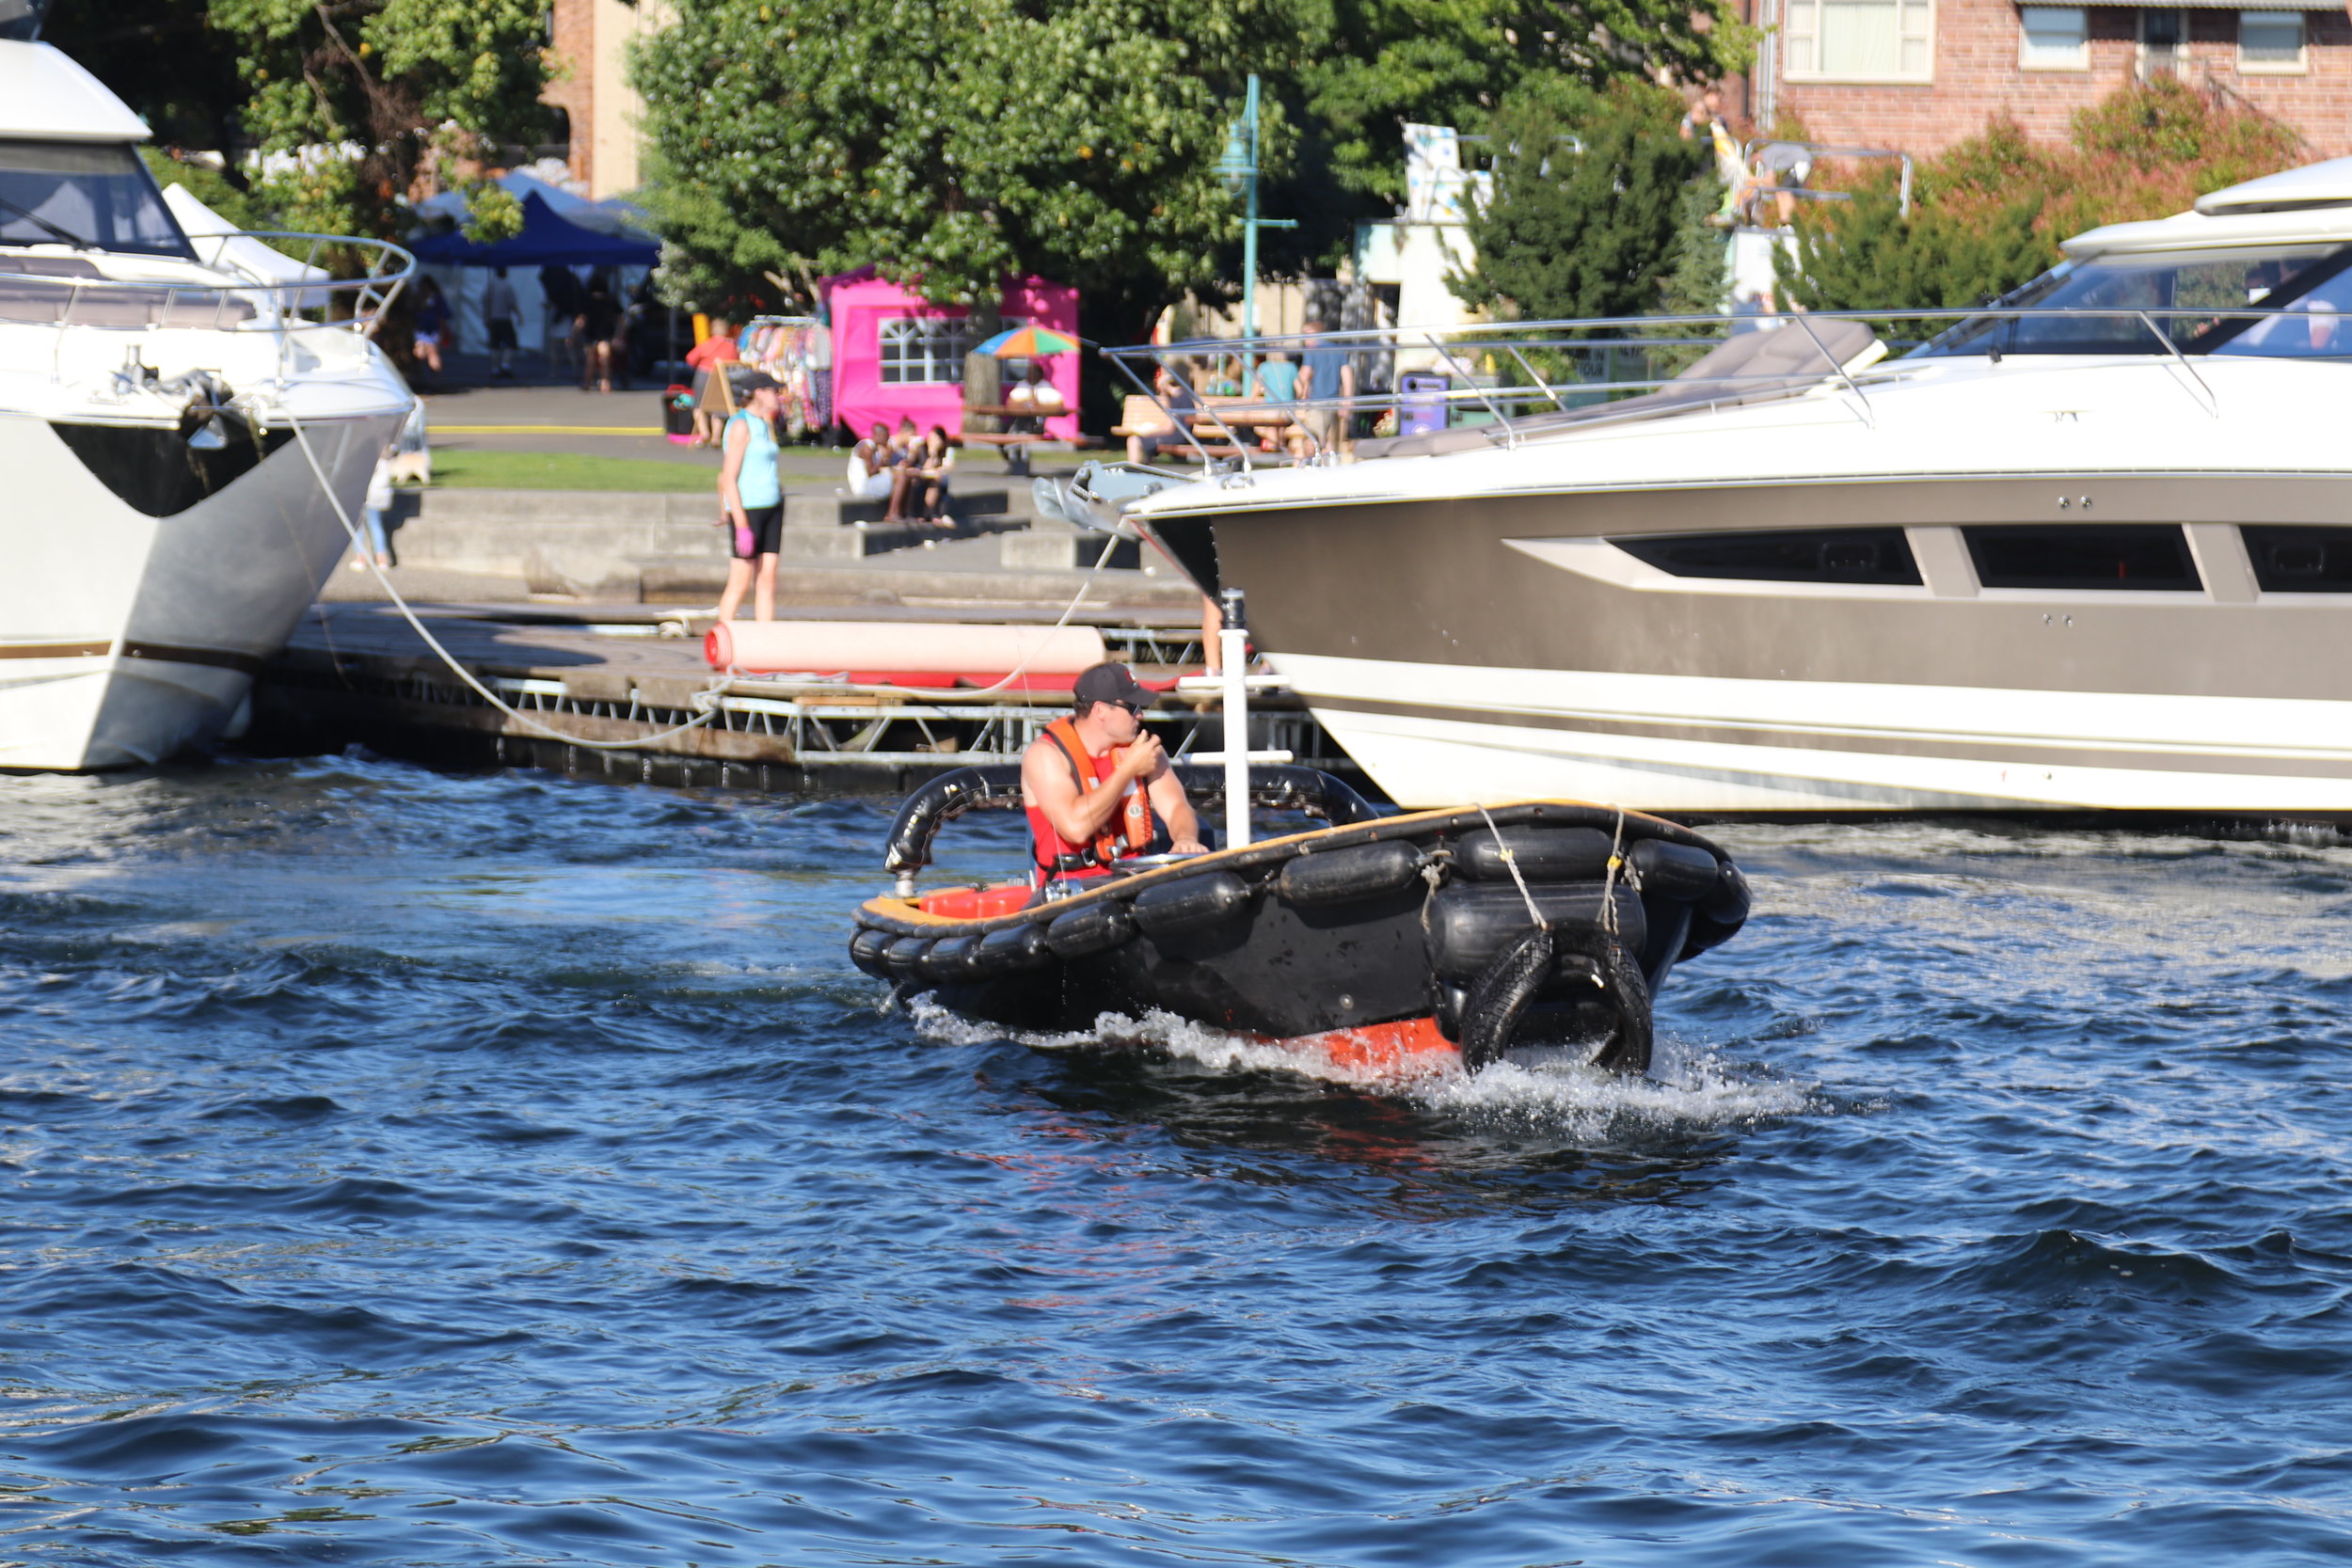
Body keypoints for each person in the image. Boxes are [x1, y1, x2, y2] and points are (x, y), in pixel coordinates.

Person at [1021, 662, 1206, 889]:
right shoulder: (1045, 755)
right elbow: (1075, 828)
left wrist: (1185, 838)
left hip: (1132, 880)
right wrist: (1127, 770)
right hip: (1071, 887)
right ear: (1100, 710)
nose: (1141, 715)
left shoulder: (1145, 749)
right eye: (1133, 707)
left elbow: (1178, 807)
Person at [714, 372, 787, 624]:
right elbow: (727, 478)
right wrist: (740, 524)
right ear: (759, 393)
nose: (779, 396)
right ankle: (724, 640)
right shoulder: (740, 425)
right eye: (774, 391)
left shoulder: (764, 424)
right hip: (748, 510)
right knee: (740, 581)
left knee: (767, 579)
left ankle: (764, 642)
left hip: (772, 507)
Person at [1295, 321, 1354, 458]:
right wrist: (1348, 400)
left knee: (1314, 441)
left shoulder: (1312, 351)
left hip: (1317, 402)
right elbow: (1347, 374)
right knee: (1333, 444)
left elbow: (1304, 375)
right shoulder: (1337, 350)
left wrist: (1300, 395)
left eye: (1306, 335)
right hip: (1335, 401)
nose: (1304, 340)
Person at [1125, 361, 1200, 464]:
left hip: (1175, 438)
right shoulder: (1181, 396)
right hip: (1181, 437)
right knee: (1140, 439)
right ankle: (1142, 466)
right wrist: (1166, 393)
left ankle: (1133, 469)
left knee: (1133, 440)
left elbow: (1168, 428)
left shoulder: (1179, 398)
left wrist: (1150, 432)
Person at [685, 317, 740, 447]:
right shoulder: (731, 346)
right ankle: (716, 437)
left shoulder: (707, 343)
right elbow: (734, 362)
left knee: (698, 406)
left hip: (704, 374)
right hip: (721, 376)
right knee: (718, 408)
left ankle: (704, 433)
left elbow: (690, 359)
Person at [887, 424, 956, 525]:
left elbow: (945, 469)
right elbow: (925, 467)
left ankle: (929, 514)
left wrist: (935, 454)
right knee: (922, 481)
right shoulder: (921, 448)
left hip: (928, 479)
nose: (933, 440)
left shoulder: (944, 452)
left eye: (936, 438)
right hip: (918, 476)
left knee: (935, 483)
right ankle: (915, 514)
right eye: (932, 437)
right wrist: (932, 452)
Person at [352, 442, 395, 571]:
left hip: (365, 496)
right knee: (376, 525)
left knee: (357, 527)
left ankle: (360, 558)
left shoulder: (365, 462)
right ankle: (382, 559)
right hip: (378, 497)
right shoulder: (385, 461)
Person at [539, 264, 582, 382]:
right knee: (570, 346)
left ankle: (553, 372)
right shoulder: (572, 280)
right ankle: (575, 371)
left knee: (555, 346)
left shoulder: (553, 285)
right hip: (568, 318)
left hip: (558, 317)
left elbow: (549, 303)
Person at [579, 272, 621, 392]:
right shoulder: (611, 300)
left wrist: (573, 334)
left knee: (591, 359)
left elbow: (581, 320)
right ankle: (604, 381)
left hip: (591, 333)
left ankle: (589, 382)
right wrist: (619, 335)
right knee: (604, 357)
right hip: (605, 332)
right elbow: (620, 320)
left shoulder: (587, 300)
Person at [482, 265, 520, 380]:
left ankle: (495, 368)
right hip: (504, 318)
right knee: (511, 343)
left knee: (495, 345)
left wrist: (486, 317)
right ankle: (505, 365)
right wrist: (519, 315)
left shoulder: (491, 285)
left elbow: (484, 301)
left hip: (493, 318)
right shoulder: (506, 286)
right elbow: (512, 303)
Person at [410, 277, 448, 388]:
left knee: (431, 353)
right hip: (422, 330)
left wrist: (442, 330)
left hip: (430, 330)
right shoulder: (420, 298)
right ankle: (423, 379)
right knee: (421, 354)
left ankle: (433, 380)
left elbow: (443, 316)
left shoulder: (434, 298)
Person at [846, 420, 897, 500]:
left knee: (902, 476)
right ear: (880, 435)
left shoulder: (875, 448)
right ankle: (894, 511)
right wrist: (882, 460)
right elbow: (871, 472)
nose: (887, 440)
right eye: (886, 437)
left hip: (870, 482)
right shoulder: (867, 448)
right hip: (863, 486)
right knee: (898, 478)